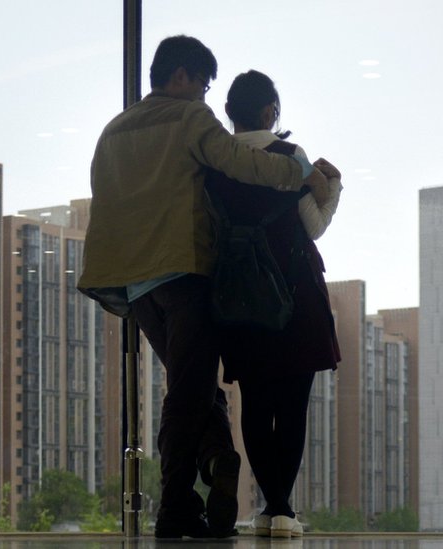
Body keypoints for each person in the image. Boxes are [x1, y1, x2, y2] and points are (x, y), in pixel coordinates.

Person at [78, 36, 325, 539]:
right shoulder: (190, 118)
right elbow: (242, 162)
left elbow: (105, 198)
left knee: (194, 386)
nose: (206, 96)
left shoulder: (114, 130)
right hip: (185, 273)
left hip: (137, 283)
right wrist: (299, 169)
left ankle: (217, 459)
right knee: (186, 395)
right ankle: (174, 508)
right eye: (204, 84)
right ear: (183, 76)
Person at [205, 70, 343, 539]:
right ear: (269, 112)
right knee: (293, 405)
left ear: (230, 114)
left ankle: (270, 509)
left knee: (257, 404)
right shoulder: (291, 157)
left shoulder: (217, 163)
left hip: (239, 296)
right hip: (294, 294)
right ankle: (281, 510)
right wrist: (335, 188)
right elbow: (314, 226)